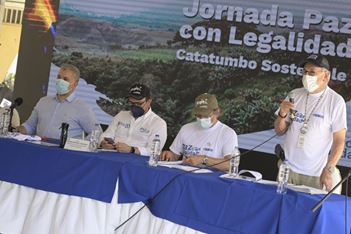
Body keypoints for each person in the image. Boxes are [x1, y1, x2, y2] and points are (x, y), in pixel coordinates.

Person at [274, 55, 347, 193]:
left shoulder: (336, 102)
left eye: (312, 72)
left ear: (325, 76)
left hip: (316, 175)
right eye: (305, 72)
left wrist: (329, 169)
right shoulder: (294, 94)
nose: (307, 76)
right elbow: (279, 131)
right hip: (288, 170)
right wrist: (282, 114)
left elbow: (339, 141)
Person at [161, 93, 238, 171]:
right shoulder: (186, 128)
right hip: (184, 175)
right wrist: (169, 155)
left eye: (206, 115)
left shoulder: (228, 133)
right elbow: (174, 156)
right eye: (198, 116)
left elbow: (230, 164)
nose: (201, 119)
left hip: (211, 179)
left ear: (217, 112)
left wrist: (204, 159)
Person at [17, 64, 97, 139]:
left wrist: (82, 146)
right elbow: (30, 126)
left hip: (64, 152)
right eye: (59, 77)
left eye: (65, 79)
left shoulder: (83, 108)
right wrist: (15, 130)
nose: (60, 81)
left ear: (75, 84)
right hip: (39, 148)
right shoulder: (43, 101)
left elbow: (96, 133)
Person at [99, 83, 167, 156]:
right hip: (112, 155)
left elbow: (154, 151)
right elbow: (106, 134)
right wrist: (103, 143)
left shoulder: (158, 123)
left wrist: (132, 150)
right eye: (132, 103)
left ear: (149, 101)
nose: (135, 106)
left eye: (139, 103)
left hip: (137, 162)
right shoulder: (121, 115)